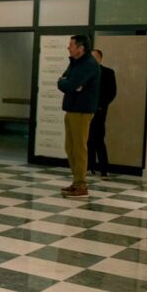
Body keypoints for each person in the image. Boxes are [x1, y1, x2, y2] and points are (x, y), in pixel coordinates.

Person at [57, 35, 101, 198]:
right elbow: (63, 81)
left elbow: (69, 84)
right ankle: (76, 182)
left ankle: (81, 184)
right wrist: (66, 82)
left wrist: (68, 83)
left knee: (79, 148)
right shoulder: (75, 62)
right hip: (71, 109)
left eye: (71, 45)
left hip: (82, 111)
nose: (68, 48)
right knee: (70, 148)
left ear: (81, 48)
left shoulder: (89, 64)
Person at [87, 49, 117, 179]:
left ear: (99, 59)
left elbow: (112, 93)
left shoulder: (108, 73)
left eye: (94, 58)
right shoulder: (86, 71)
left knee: (99, 138)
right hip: (86, 110)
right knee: (88, 139)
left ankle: (104, 169)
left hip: (99, 111)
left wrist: (100, 105)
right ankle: (89, 167)